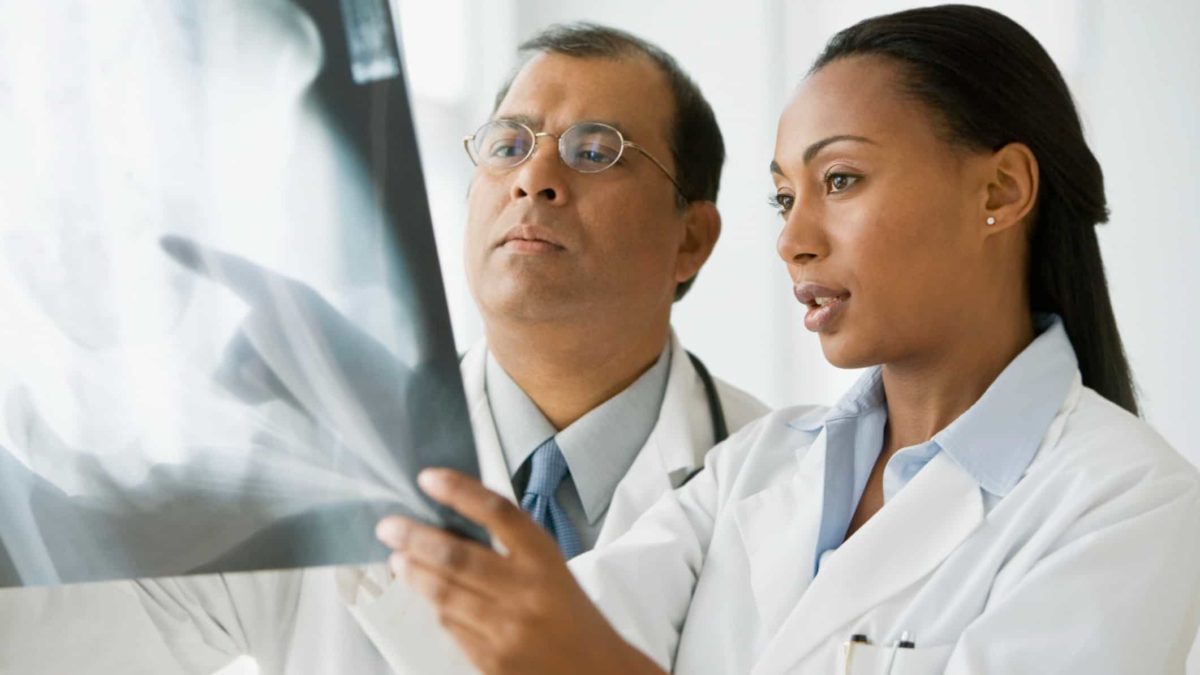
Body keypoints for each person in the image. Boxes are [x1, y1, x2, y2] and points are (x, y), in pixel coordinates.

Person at [376, 6, 1200, 674]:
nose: (793, 240)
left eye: (840, 180)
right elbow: (506, 648)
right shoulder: (757, 465)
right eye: (783, 198)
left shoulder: (1126, 501)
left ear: (1000, 188)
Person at [0, 21, 767, 675]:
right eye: (507, 144)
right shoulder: (318, 463)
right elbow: (65, 634)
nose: (534, 177)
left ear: (691, 238)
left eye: (594, 151)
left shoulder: (793, 485)